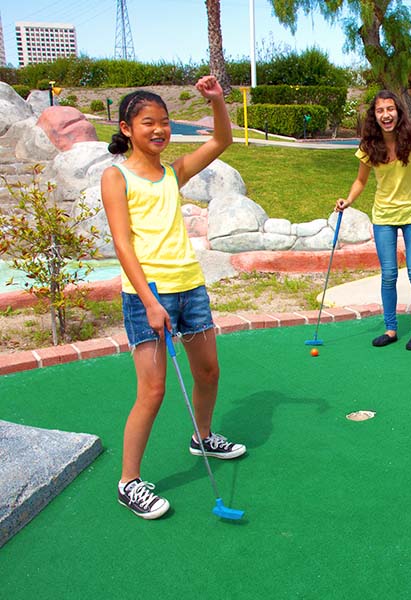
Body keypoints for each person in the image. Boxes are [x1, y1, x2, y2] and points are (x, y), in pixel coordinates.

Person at [101, 76, 246, 520]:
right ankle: (129, 481)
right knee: (153, 390)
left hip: (190, 287)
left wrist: (218, 100)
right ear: (127, 128)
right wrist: (149, 300)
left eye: (165, 122)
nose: (160, 130)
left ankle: (202, 436)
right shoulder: (116, 176)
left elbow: (222, 139)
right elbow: (123, 245)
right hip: (149, 295)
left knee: (208, 372)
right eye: (149, 123)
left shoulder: (172, 173)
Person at [336, 90, 411, 351]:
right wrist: (349, 200)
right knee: (388, 275)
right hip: (384, 216)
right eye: (380, 110)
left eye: (390, 109)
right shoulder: (369, 146)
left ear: (398, 112)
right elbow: (361, 180)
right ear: (374, 115)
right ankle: (391, 329)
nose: (386, 115)